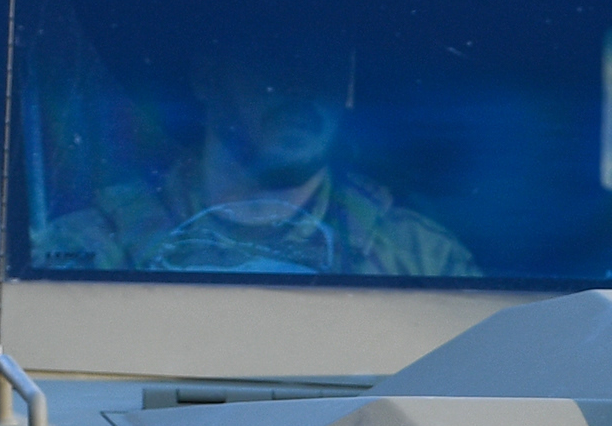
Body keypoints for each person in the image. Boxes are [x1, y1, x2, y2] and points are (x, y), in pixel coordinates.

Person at [33, 54, 476, 278]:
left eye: (325, 70)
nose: (302, 92)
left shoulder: (421, 258)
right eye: (277, 66)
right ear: (207, 78)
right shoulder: (92, 247)